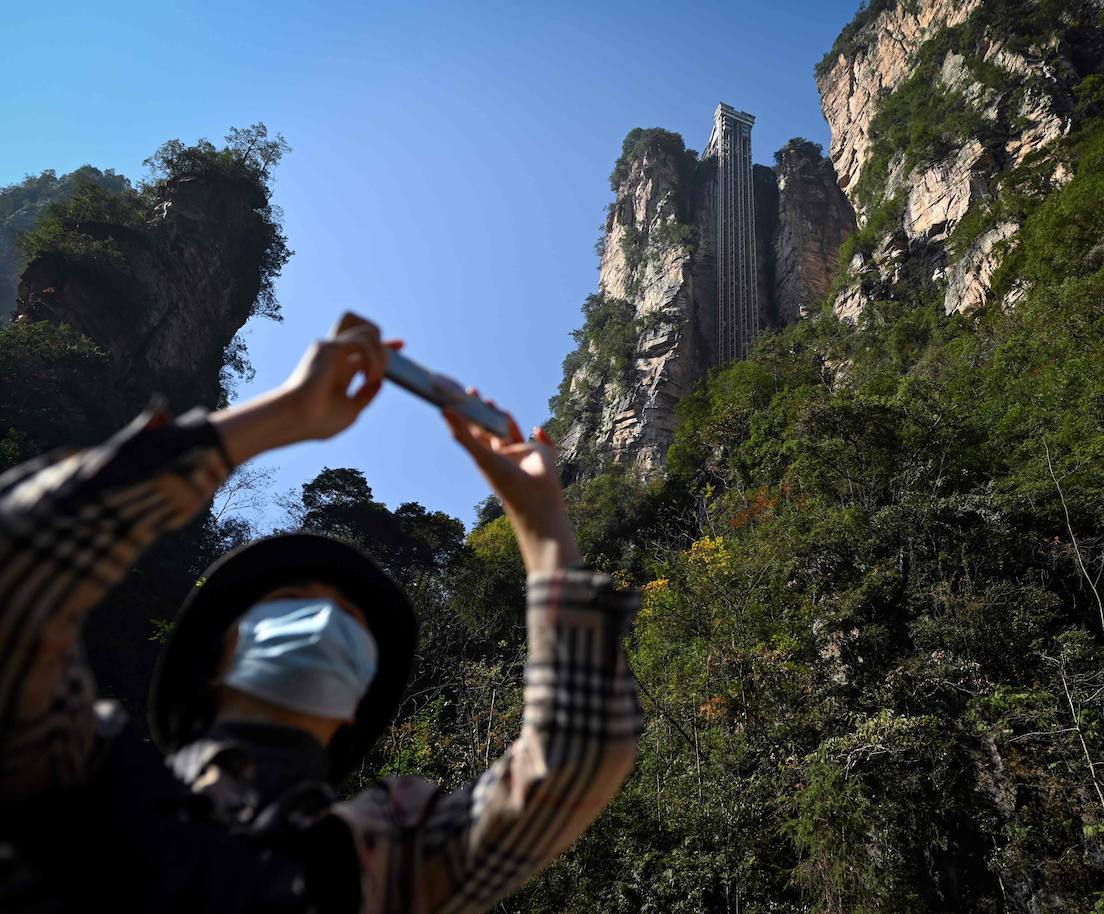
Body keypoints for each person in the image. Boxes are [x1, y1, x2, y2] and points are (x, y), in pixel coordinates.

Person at [0, 317, 640, 913]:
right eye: (294, 602)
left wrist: (541, 519)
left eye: (350, 623)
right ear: (219, 653)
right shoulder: (75, 766)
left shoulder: (386, 859)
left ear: (359, 697)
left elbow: (575, 757)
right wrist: (279, 416)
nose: (327, 619)